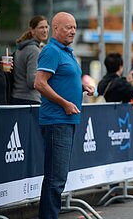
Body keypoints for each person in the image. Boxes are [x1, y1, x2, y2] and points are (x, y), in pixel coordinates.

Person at [34, 12, 94, 219]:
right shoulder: (51, 51)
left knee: (58, 177)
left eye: (75, 27)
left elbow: (62, 78)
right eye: (68, 27)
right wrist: (65, 103)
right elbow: (39, 83)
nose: (73, 31)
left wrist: (82, 86)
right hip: (56, 120)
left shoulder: (66, 52)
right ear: (56, 28)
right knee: (55, 178)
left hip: (67, 120)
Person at [11, 15, 49, 105]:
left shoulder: (22, 47)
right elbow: (32, 81)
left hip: (17, 98)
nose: (45, 30)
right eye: (41, 27)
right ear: (32, 31)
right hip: (29, 100)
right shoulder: (34, 50)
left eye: (46, 27)